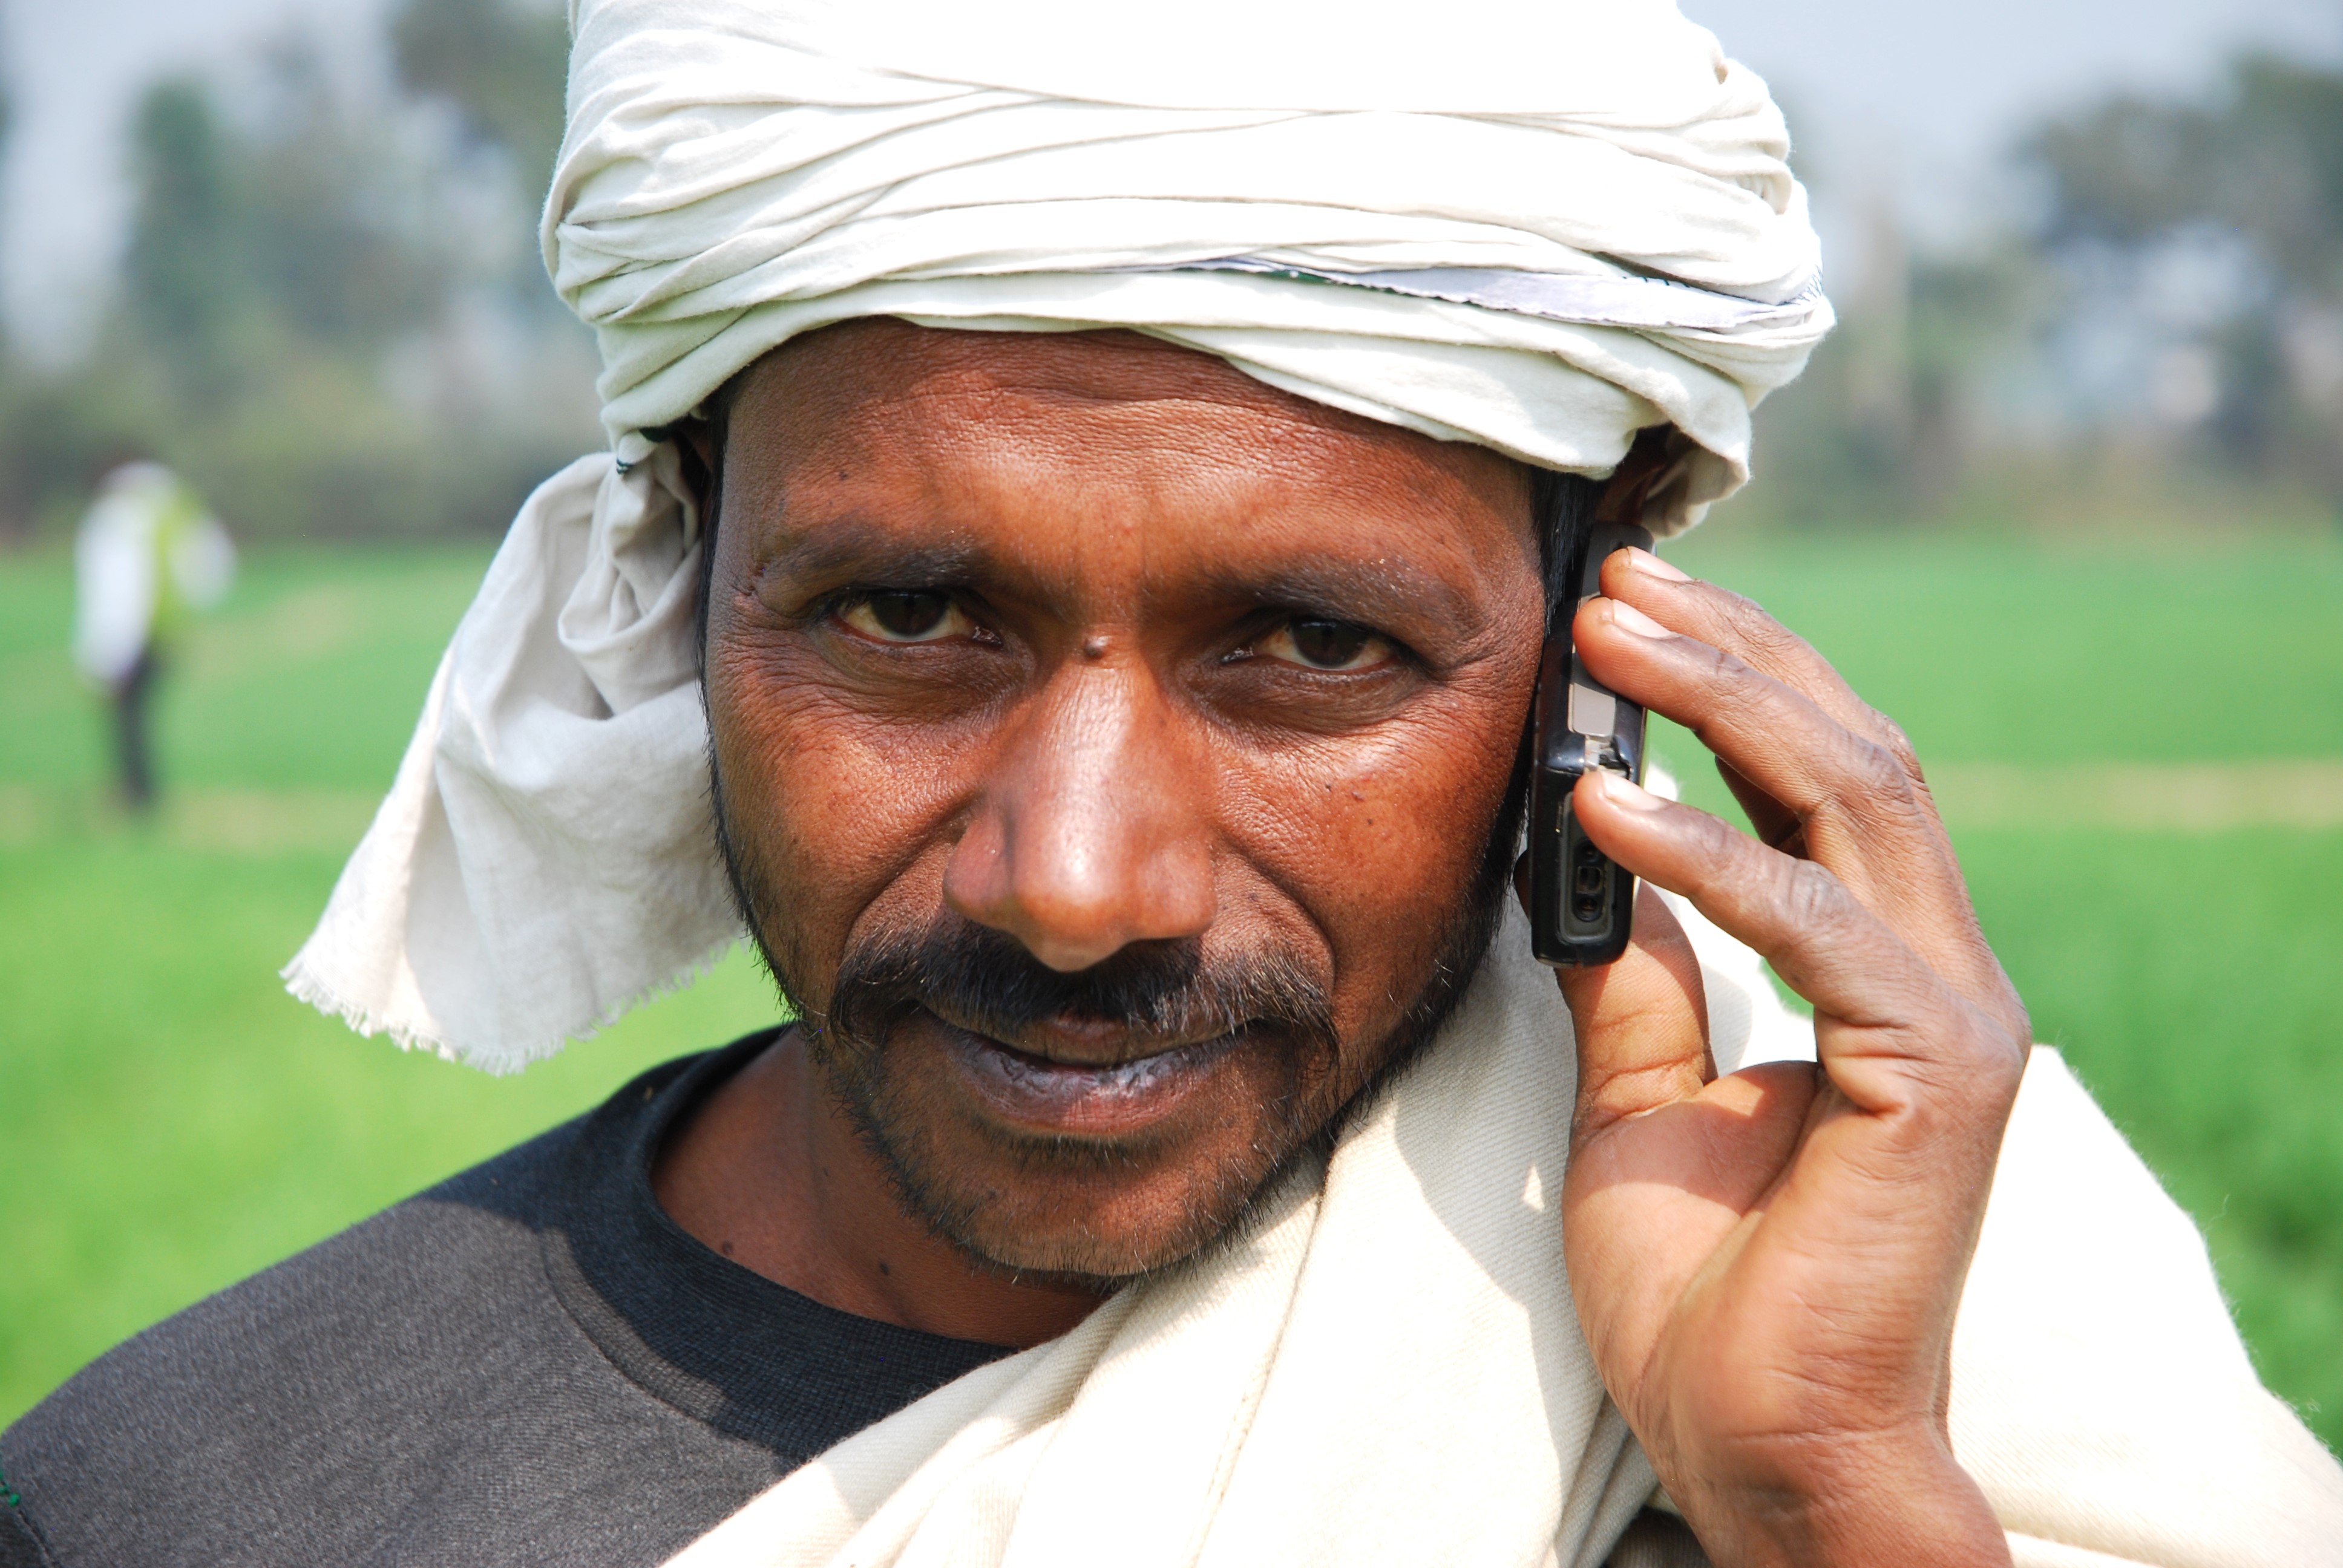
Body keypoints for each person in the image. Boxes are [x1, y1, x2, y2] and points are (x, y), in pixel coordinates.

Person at [7, 2, 2342, 1564]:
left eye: (1313, 646)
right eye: (911, 620)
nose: (1078, 881)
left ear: (1593, 646)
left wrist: (1835, 1485)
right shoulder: (198, 1496)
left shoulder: (1897, 1386)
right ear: (671, 565)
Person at [70, 457, 234, 811]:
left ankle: (136, 797)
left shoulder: (120, 515)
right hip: (169, 633)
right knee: (141, 719)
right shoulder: (177, 506)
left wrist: (107, 649)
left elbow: (119, 586)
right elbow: (213, 569)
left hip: (133, 636)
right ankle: (143, 794)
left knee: (127, 721)